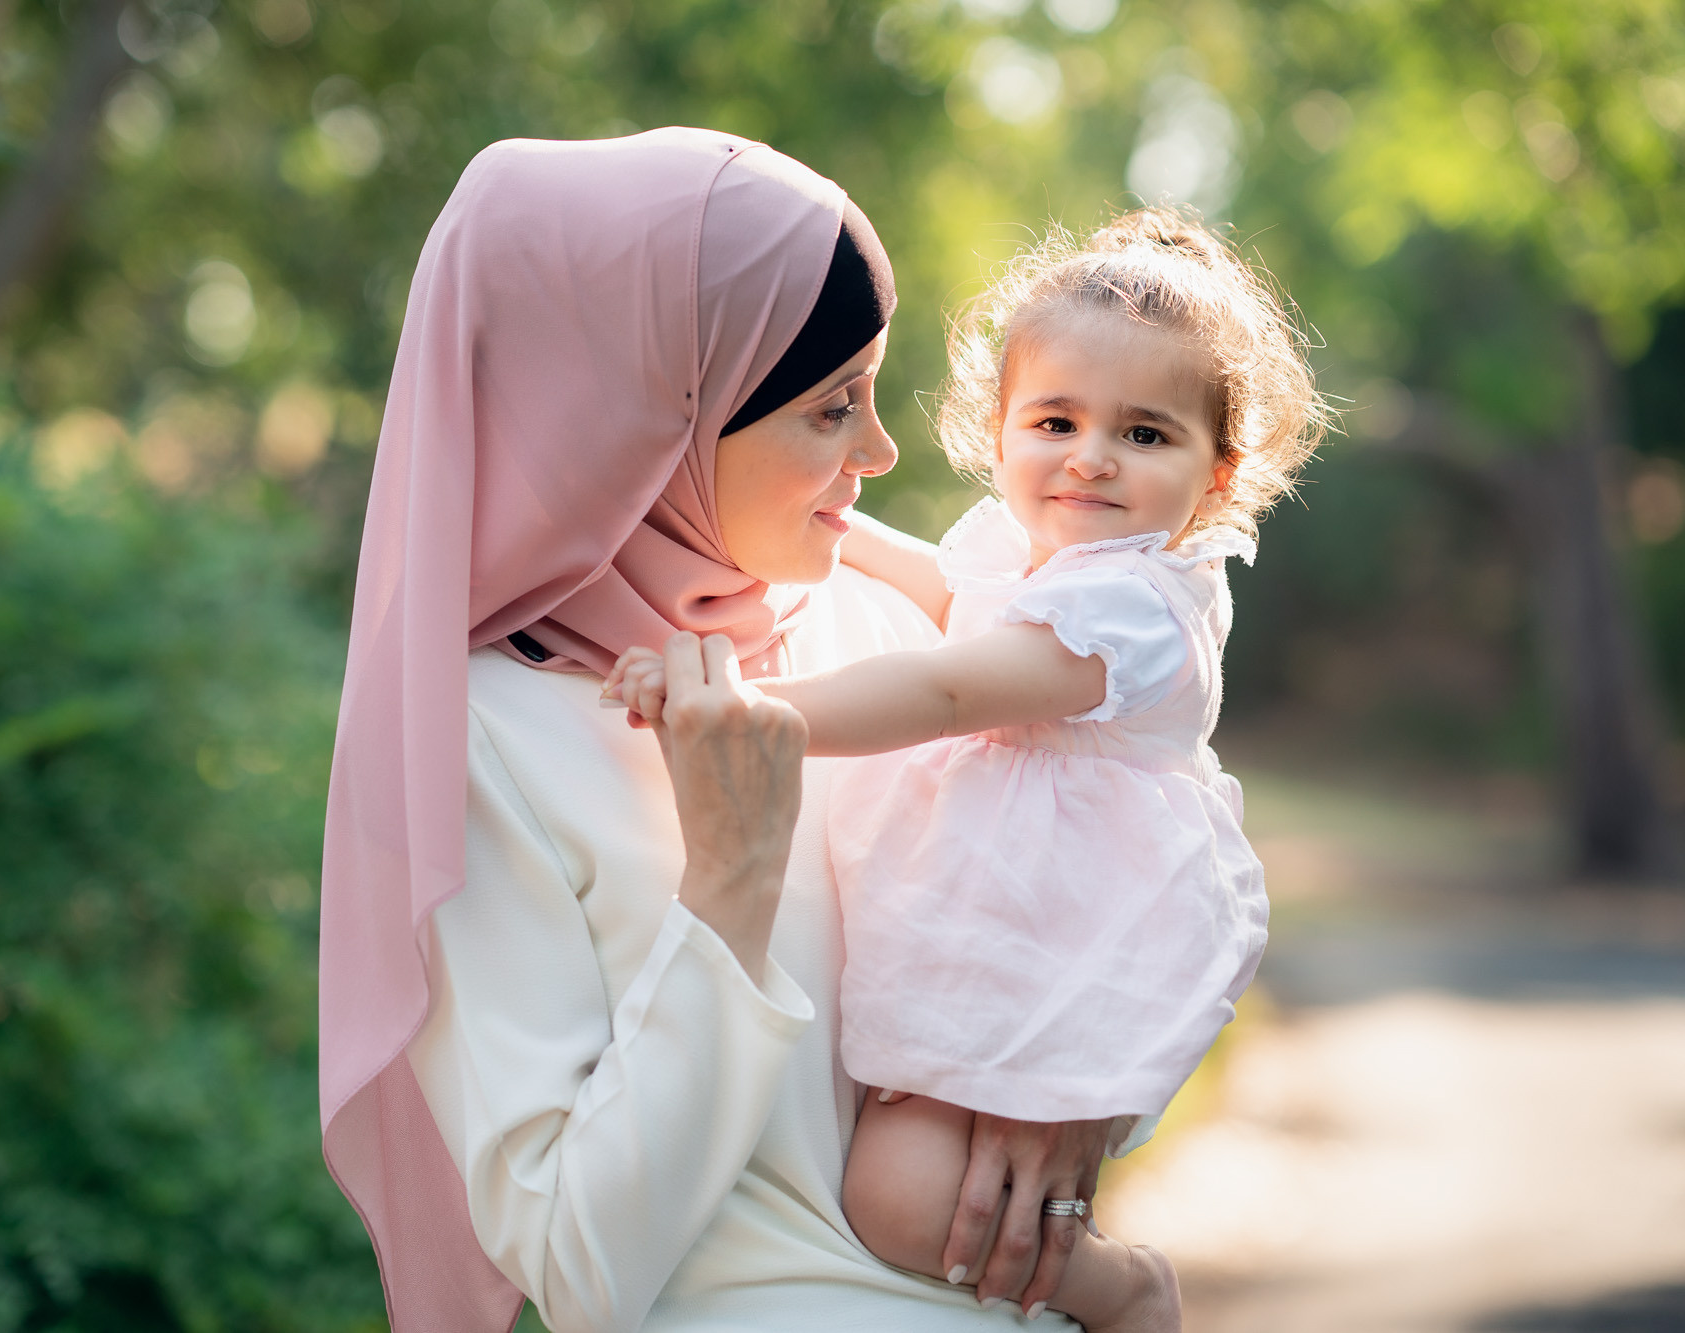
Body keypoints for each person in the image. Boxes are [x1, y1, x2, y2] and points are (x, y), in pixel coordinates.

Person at [319, 127, 1122, 1333]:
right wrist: (728, 887)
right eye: (827, 407)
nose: (878, 451)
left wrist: (1066, 1099)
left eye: (870, 394)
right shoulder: (481, 738)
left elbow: (1096, 884)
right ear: (651, 416)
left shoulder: (881, 631)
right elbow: (581, 1266)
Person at [607, 208, 1329, 1332]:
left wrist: (749, 712)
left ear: (1217, 474)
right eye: (1055, 419)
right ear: (997, 432)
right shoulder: (1030, 553)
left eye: (1143, 435)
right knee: (908, 1166)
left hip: (1063, 927)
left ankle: (1125, 1290)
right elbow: (947, 590)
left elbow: (949, 688)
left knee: (899, 1197)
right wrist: (806, 514)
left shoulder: (1139, 608)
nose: (1088, 455)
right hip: (991, 902)